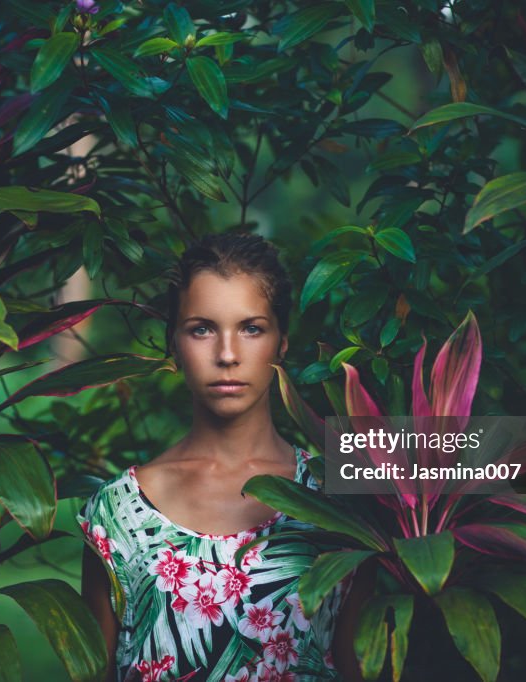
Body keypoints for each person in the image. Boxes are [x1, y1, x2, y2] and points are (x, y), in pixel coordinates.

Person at [78, 233, 370, 681]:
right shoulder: (118, 512)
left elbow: (357, 666)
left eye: (251, 328)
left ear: (282, 342)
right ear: (174, 342)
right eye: (202, 329)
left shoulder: (338, 501)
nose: (228, 355)